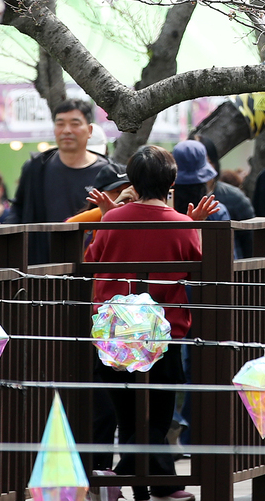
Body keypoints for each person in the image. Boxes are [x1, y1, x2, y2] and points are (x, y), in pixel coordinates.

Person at [86, 146, 219, 501]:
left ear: (132, 181)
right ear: (172, 182)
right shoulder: (181, 224)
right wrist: (197, 226)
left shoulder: (111, 219)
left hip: (113, 329)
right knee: (158, 415)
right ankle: (124, 473)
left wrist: (110, 218)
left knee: (126, 411)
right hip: (163, 332)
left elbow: (91, 260)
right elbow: (197, 267)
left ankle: (128, 479)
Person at [13, 99, 122, 264]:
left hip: (91, 266)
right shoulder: (36, 168)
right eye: (60, 124)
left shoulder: (109, 172)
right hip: (43, 266)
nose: (66, 130)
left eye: (75, 123)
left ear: (90, 130)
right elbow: (18, 210)